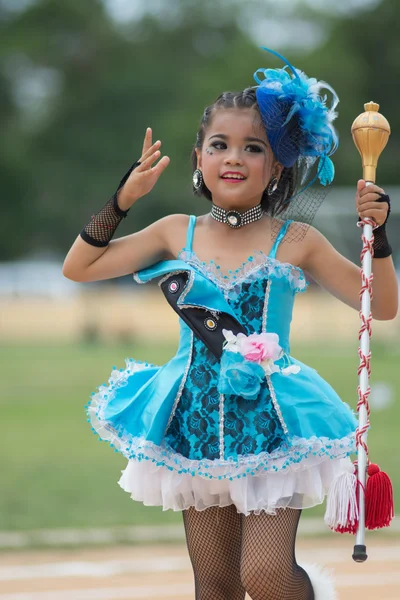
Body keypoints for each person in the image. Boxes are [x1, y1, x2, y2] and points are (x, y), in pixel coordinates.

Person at [63, 48, 398, 600]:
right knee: (215, 586)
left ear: (277, 167)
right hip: (193, 426)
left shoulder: (298, 240)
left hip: (274, 428)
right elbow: (81, 267)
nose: (233, 158)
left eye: (253, 147)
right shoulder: (175, 232)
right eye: (219, 145)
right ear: (199, 157)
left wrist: (378, 239)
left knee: (264, 576)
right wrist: (124, 198)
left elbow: (380, 306)